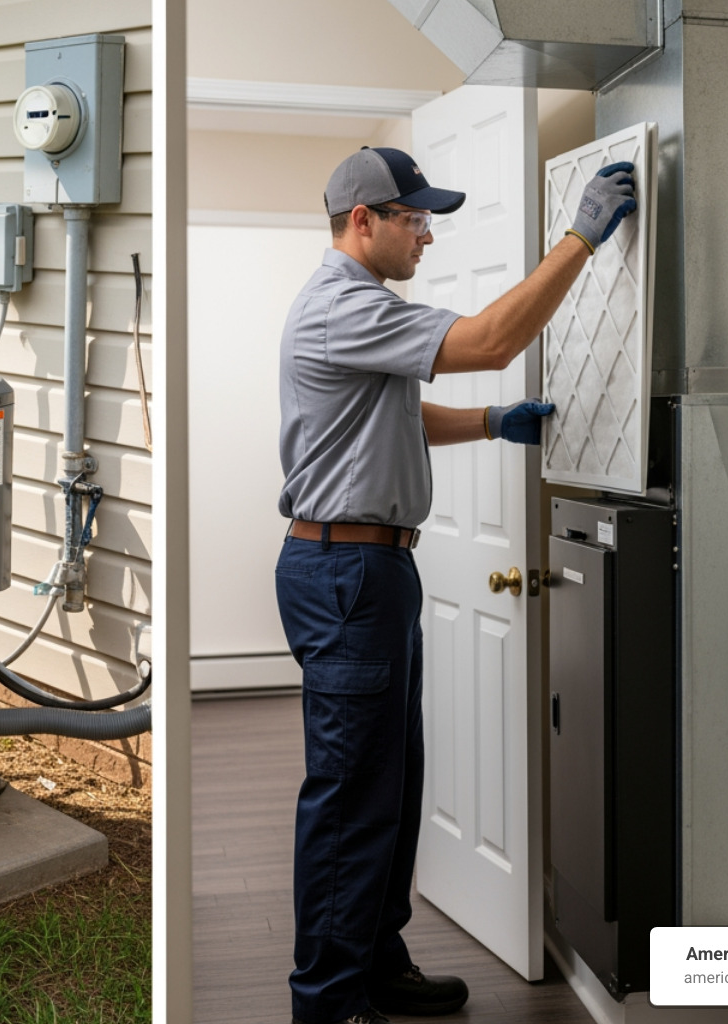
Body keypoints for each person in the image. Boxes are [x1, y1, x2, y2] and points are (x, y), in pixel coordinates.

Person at [275, 146, 637, 1024]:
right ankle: (327, 1000)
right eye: (414, 218)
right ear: (364, 220)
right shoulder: (341, 304)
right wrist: (579, 239)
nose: (426, 234)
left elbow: (388, 415)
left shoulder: (365, 309)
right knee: (354, 791)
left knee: (391, 782)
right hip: (346, 570)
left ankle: (373, 960)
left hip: (369, 569)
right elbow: (491, 339)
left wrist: (487, 423)